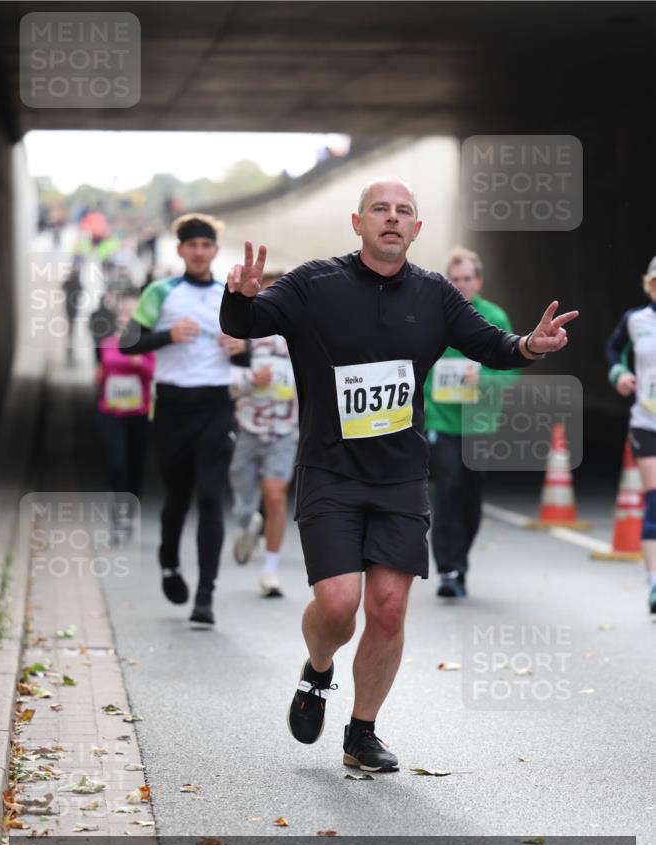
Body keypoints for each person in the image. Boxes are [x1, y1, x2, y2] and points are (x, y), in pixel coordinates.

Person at [220, 176, 577, 772]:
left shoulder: (435, 294)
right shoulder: (315, 283)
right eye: (379, 209)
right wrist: (240, 297)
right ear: (356, 223)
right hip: (330, 469)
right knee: (338, 606)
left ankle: (362, 733)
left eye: (403, 211)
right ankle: (317, 671)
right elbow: (249, 323)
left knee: (387, 608)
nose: (392, 218)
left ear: (417, 228)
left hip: (400, 476)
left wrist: (531, 346)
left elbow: (491, 345)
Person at [120, 213, 234, 627]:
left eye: (207, 246)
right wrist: (168, 335)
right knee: (178, 496)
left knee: (210, 494)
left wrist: (240, 348)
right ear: (181, 250)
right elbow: (128, 342)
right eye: (193, 246)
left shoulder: (229, 293)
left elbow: (252, 352)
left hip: (217, 404)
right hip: (171, 406)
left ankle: (206, 595)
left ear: (215, 251)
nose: (200, 252)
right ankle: (168, 558)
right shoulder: (162, 291)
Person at [424, 246, 520, 598]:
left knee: (470, 494)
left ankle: (459, 559)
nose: (462, 285)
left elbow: (512, 369)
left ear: (478, 281)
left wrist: (485, 379)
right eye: (455, 279)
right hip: (441, 418)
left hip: (479, 422)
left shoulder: (494, 316)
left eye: (467, 279)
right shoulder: (433, 314)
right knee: (447, 486)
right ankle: (449, 569)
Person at [219, 272, 298, 598]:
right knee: (243, 499)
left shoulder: (301, 333)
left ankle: (270, 571)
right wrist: (254, 376)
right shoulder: (243, 335)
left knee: (276, 496)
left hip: (284, 428)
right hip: (248, 428)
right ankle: (248, 522)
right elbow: (229, 385)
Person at [607, 255, 656, 614]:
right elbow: (613, 349)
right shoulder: (635, 320)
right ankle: (655, 583)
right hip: (647, 421)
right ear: (650, 284)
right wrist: (619, 375)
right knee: (655, 500)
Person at [94, 291, 154, 539]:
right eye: (123, 312)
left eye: (132, 313)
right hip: (111, 411)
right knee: (117, 461)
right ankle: (119, 511)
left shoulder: (149, 342)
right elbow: (106, 364)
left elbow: (153, 371)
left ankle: (130, 510)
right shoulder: (108, 342)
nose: (127, 317)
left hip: (139, 412)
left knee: (136, 464)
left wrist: (140, 363)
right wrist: (131, 360)